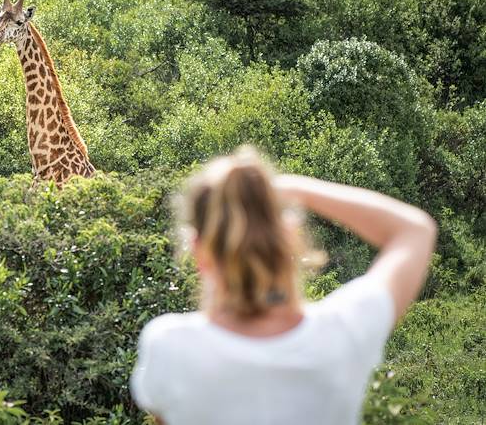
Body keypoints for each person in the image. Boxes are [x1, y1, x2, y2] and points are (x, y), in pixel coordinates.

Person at [130, 146, 437, 425]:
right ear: (289, 235)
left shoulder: (169, 345)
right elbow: (415, 229)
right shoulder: (342, 333)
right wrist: (289, 187)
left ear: (198, 250)